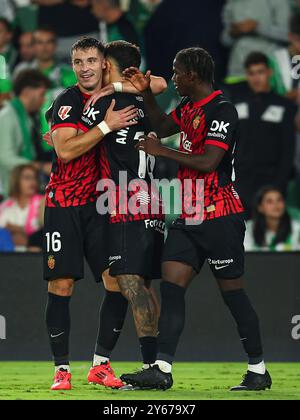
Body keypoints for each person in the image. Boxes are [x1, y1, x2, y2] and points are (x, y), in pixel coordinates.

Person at [116, 47, 272, 391]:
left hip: (220, 216)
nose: (172, 78)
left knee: (233, 294)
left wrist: (162, 151)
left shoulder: (222, 110)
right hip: (187, 215)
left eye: (176, 72)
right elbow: (160, 124)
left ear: (193, 76)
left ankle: (258, 369)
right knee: (172, 290)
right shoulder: (187, 106)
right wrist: (144, 92)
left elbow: (209, 162)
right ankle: (161, 368)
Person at [44, 36, 147, 392]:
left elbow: (159, 84)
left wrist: (116, 88)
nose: (85, 68)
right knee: (61, 284)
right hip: (64, 205)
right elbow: (66, 151)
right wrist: (106, 126)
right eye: (78, 62)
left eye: (91, 60)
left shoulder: (116, 94)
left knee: (115, 282)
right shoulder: (66, 101)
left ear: (103, 63)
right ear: (72, 66)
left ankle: (100, 365)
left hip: (101, 205)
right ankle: (61, 370)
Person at [80, 40, 165, 387]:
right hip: (152, 200)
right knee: (139, 283)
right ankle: (147, 362)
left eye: (102, 63)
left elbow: (68, 136)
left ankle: (152, 368)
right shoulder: (145, 101)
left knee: (129, 283)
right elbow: (158, 83)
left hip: (127, 199)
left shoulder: (108, 103)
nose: (96, 68)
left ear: (111, 67)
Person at [226, 52, 297, 218]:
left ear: (269, 73)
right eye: (251, 73)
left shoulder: (285, 106)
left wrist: (279, 186)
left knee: (267, 237)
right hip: (240, 182)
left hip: (270, 181)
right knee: (240, 236)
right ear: (246, 75)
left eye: (260, 72)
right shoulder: (236, 104)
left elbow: (288, 150)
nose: (256, 78)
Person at [13, 26, 77, 138]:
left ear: (55, 45)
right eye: (39, 42)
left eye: (49, 42)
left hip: (61, 137)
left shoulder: (69, 73)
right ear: (33, 46)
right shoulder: (22, 72)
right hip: (28, 138)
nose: (44, 47)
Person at [0, 69, 51, 197]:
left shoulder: (28, 118)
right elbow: (4, 157)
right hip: (12, 193)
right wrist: (40, 166)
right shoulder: (6, 117)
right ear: (27, 92)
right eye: (41, 94)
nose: (44, 100)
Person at [222, 0, 291, 80]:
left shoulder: (279, 2)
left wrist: (258, 27)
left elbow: (288, 36)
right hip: (238, 67)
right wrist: (233, 32)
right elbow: (225, 40)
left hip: (271, 66)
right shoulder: (231, 3)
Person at [0, 164, 43, 252]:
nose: (33, 182)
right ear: (16, 180)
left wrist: (18, 230)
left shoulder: (42, 202)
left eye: (34, 178)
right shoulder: (5, 206)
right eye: (27, 178)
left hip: (33, 252)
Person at [245, 186, 300, 252]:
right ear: (260, 207)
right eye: (269, 201)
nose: (276, 205)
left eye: (279, 200)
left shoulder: (297, 228)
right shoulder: (248, 228)